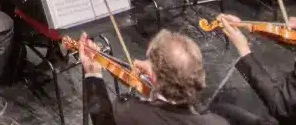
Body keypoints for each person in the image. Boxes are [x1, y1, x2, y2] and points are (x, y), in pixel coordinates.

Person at [77, 29, 226, 125]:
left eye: (150, 62)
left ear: (154, 77)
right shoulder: (219, 122)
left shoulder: (129, 114)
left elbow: (102, 120)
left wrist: (93, 73)